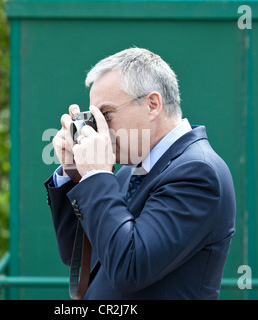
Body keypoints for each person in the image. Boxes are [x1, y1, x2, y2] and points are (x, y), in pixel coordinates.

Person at [44, 48, 236, 299]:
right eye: (93, 118)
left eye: (106, 115)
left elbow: (129, 268)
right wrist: (75, 173)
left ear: (152, 105)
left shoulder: (198, 172)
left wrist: (96, 177)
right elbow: (79, 257)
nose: (99, 129)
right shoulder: (127, 173)